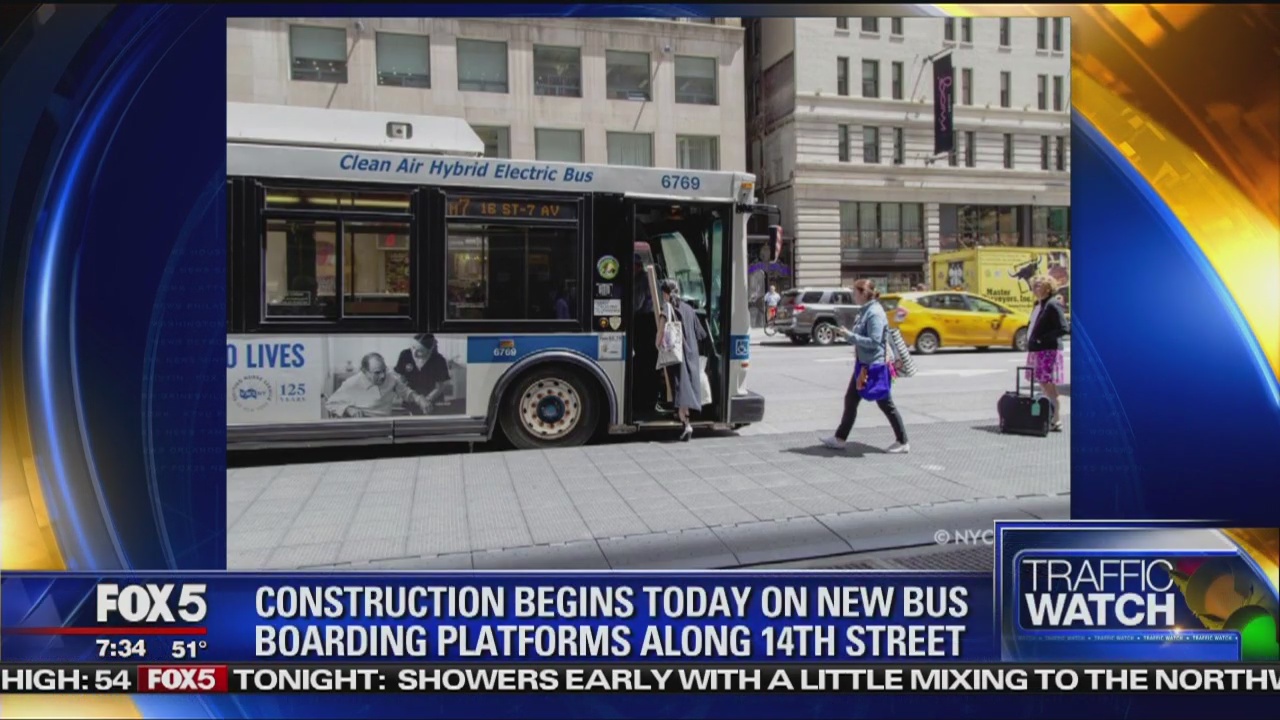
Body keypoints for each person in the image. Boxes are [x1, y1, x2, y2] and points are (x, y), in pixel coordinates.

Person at [821, 279, 910, 454]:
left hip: (874, 367)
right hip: (864, 366)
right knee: (851, 400)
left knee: (885, 403)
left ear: (863, 293)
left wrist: (850, 336)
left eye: (855, 292)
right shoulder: (866, 311)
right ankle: (840, 438)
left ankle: (903, 441)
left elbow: (875, 342)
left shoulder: (874, 313)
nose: (853, 295)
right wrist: (848, 334)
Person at [656, 278, 708, 441]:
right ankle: (687, 422)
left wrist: (658, 345)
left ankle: (686, 423)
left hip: (677, 353)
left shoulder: (668, 307)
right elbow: (701, 333)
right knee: (687, 387)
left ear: (665, 294)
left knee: (679, 387)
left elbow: (661, 330)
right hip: (691, 353)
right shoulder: (688, 308)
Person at [326, 352, 429, 418]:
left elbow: (407, 393)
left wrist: (420, 399)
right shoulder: (352, 383)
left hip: (385, 427)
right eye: (377, 372)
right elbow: (330, 403)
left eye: (384, 370)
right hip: (361, 428)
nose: (383, 376)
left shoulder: (391, 378)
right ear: (364, 371)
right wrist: (349, 409)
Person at [1026, 275, 1069, 432]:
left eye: (1039, 285)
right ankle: (1051, 416)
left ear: (1047, 287)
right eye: (1034, 285)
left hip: (1048, 350)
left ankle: (1056, 419)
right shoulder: (1039, 304)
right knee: (1045, 385)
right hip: (1038, 350)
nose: (1035, 288)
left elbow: (1064, 328)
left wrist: (1042, 339)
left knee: (1048, 386)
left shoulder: (1052, 304)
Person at [394, 334, 451, 414]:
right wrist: (417, 399)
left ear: (429, 350)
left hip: (432, 402)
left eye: (420, 350)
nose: (414, 352)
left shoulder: (439, 360)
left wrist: (426, 401)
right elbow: (400, 379)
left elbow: (440, 387)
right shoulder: (405, 355)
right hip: (411, 399)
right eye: (413, 347)